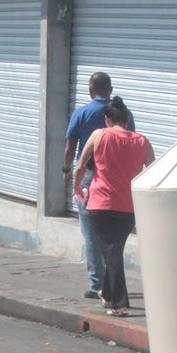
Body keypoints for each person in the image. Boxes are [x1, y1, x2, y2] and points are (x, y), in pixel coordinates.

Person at [72, 96, 153, 317]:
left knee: (111, 252)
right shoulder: (142, 141)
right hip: (129, 208)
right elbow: (153, 172)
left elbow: (80, 166)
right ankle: (108, 295)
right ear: (127, 120)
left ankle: (119, 304)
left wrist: (77, 188)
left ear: (107, 119)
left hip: (100, 205)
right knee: (114, 250)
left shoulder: (99, 135)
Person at [64, 72, 134, 299]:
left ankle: (97, 284)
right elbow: (129, 141)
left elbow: (71, 145)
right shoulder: (124, 114)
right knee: (115, 235)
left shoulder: (82, 113)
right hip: (118, 179)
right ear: (111, 88)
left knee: (92, 232)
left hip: (90, 176)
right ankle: (112, 284)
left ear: (89, 90)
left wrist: (67, 171)